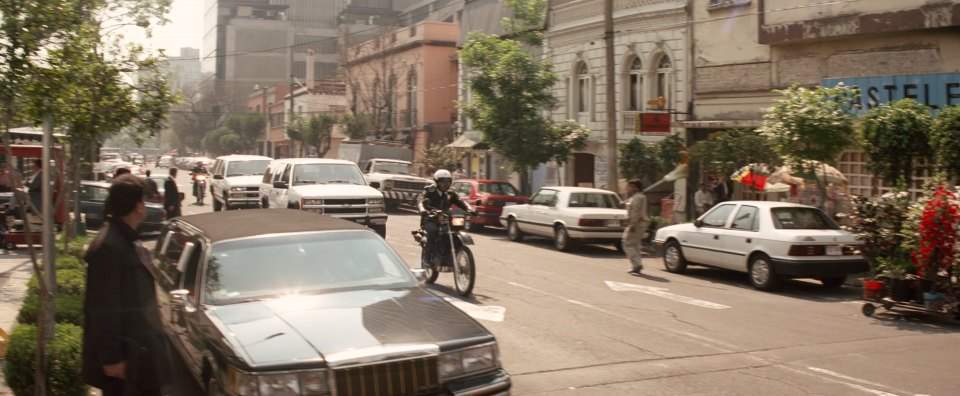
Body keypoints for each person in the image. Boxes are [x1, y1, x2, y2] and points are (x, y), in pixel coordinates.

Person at [82, 175, 171, 396]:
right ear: (138, 206)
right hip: (126, 361)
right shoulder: (109, 247)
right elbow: (102, 308)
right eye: (143, 201)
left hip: (140, 354)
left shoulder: (125, 239)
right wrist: (112, 359)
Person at [417, 169, 475, 264]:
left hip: (446, 219)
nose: (445, 184)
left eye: (448, 182)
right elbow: (420, 200)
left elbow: (460, 201)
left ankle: (453, 254)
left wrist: (469, 209)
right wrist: (422, 209)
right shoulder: (430, 191)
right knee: (433, 232)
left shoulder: (450, 193)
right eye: (442, 182)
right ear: (436, 182)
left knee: (456, 230)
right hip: (431, 219)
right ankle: (427, 259)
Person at [623, 179, 649, 275]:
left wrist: (632, 224)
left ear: (635, 188)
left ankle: (637, 264)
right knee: (635, 245)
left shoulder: (637, 198)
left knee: (627, 243)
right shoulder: (637, 197)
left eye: (629, 186)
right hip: (639, 223)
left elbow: (635, 212)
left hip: (636, 224)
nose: (627, 188)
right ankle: (637, 265)